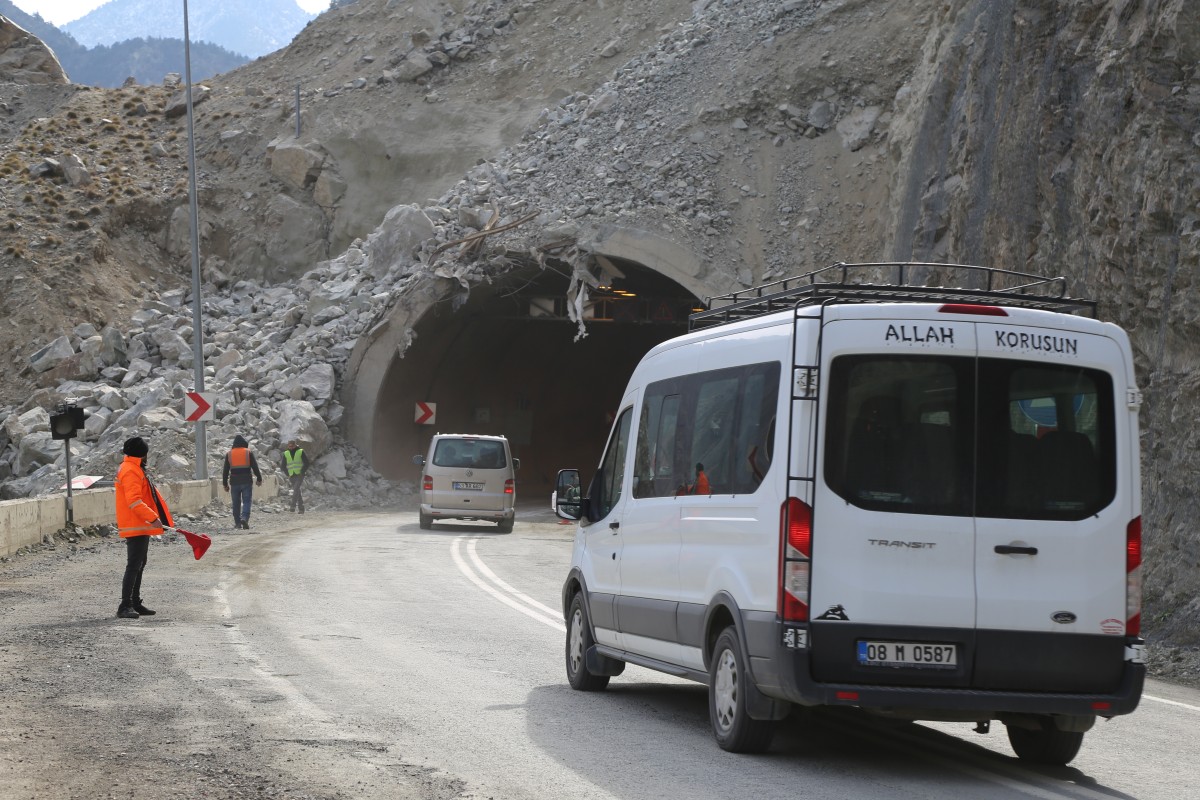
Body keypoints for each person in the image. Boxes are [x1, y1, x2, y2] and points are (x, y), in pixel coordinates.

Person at [114, 436, 173, 619]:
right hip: (136, 524)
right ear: (143, 454)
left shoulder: (133, 468)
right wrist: (153, 518)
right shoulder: (131, 470)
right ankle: (125, 605)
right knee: (134, 565)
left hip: (139, 524)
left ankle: (135, 602)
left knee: (139, 564)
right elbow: (134, 501)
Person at [222, 434, 262, 529]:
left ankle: (237, 523)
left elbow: (225, 470)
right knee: (247, 501)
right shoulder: (248, 452)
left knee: (236, 503)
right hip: (246, 481)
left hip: (234, 482)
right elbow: (255, 467)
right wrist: (259, 478)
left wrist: (225, 484)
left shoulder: (229, 454)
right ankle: (244, 518)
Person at [281, 440, 308, 514]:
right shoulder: (286, 453)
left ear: (295, 445)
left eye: (292, 446)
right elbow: (283, 466)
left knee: (295, 490)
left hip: (300, 475)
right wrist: (288, 474)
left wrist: (302, 472)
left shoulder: (300, 451)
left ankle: (292, 506)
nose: (291, 448)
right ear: (288, 446)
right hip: (291, 475)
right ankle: (301, 509)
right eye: (289, 446)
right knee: (297, 491)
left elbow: (306, 463)